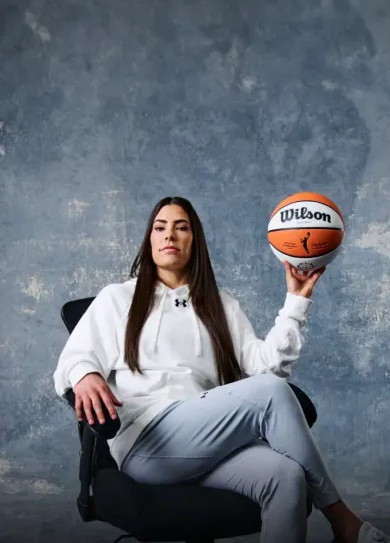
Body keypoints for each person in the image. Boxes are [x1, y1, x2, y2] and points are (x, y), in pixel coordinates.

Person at [53, 196, 388, 543]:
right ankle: (342, 520)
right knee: (269, 392)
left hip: (207, 445)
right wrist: (86, 375)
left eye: (181, 228)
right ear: (149, 240)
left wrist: (296, 302)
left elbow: (266, 366)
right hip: (149, 444)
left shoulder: (220, 305)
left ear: (194, 242)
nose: (170, 235)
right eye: (160, 227)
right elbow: (73, 360)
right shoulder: (118, 298)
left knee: (286, 475)